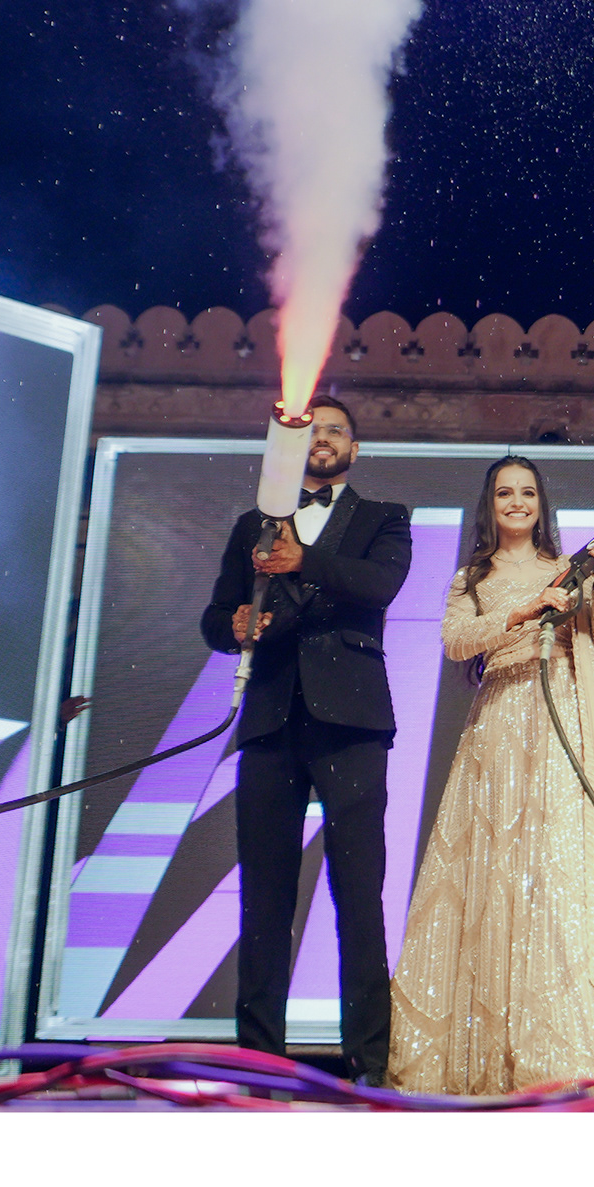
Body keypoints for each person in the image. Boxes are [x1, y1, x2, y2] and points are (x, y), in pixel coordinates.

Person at [387, 455, 594, 1093]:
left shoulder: (572, 567)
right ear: (490, 505)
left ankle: (575, 1045)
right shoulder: (473, 577)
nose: (517, 502)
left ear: (541, 504)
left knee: (564, 868)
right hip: (500, 730)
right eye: (505, 493)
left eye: (528, 493)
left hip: (565, 722)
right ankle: (494, 1054)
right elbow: (454, 642)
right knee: (499, 872)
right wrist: (521, 611)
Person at [196, 395, 413, 1083]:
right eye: (312, 430)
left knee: (359, 895)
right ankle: (260, 1065)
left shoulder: (384, 518)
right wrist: (231, 627)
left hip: (351, 727)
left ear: (355, 448)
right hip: (269, 723)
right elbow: (215, 615)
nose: (322, 438)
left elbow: (380, 585)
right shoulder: (254, 523)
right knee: (264, 900)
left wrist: (303, 560)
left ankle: (369, 1065)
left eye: (336, 430)